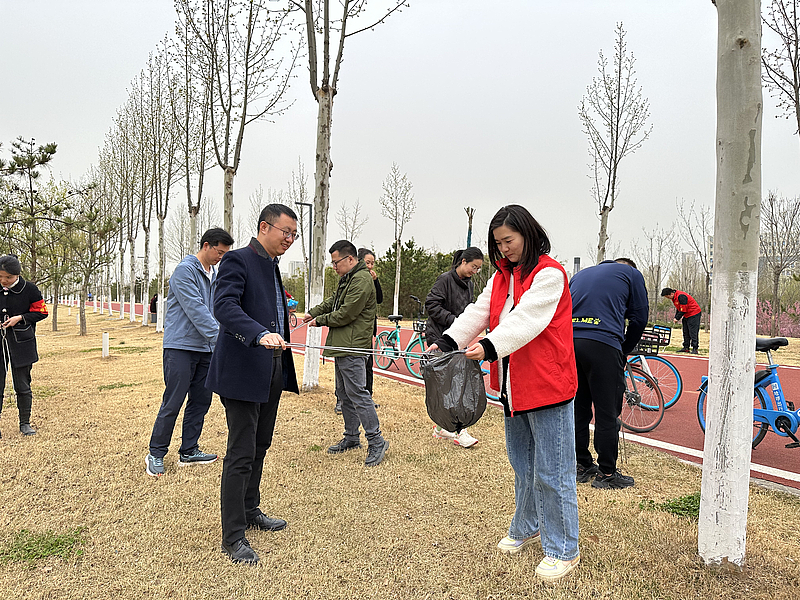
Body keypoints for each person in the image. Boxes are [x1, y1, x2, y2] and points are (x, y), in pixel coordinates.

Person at [430, 205, 580, 582]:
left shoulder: (550, 274)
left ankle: (564, 548)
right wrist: (447, 342)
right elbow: (477, 313)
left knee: (553, 471)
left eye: (508, 240)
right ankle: (527, 525)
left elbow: (525, 321)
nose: (503, 249)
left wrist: (489, 346)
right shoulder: (500, 277)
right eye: (497, 243)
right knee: (523, 466)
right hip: (513, 389)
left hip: (548, 387)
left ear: (528, 234)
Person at [206, 204, 300, 565]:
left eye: (294, 235)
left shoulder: (272, 265)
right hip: (242, 372)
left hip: (271, 369)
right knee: (241, 452)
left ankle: (250, 510)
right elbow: (224, 306)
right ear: (264, 227)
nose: (290, 239)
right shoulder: (238, 260)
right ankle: (233, 536)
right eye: (286, 232)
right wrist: (259, 333)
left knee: (260, 445)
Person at [145, 228, 234, 478]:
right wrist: (222, 339)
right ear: (206, 246)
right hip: (181, 347)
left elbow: (219, 308)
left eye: (225, 254)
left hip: (206, 348)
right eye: (219, 252)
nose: (221, 257)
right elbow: (196, 310)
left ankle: (189, 450)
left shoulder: (214, 274)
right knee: (174, 400)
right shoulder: (185, 271)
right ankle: (156, 453)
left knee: (201, 401)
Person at [304, 240, 389, 468]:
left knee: (358, 393)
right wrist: (313, 312)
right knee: (344, 393)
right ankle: (352, 437)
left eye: (336, 262)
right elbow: (334, 301)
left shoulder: (361, 280)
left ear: (350, 259)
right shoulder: (349, 278)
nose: (334, 266)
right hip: (343, 344)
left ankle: (376, 440)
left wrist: (319, 320)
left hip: (353, 346)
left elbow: (346, 313)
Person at [570, 258, 648, 490]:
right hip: (603, 343)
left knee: (578, 408)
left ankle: (582, 465)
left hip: (570, 343)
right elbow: (639, 318)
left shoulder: (580, 275)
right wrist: (623, 349)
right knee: (606, 412)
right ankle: (606, 473)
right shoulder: (632, 274)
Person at [425, 246, 484, 448]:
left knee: (456, 383)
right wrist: (454, 321)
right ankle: (459, 431)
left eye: (478, 269)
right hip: (440, 337)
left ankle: (444, 428)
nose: (475, 271)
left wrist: (465, 326)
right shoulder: (445, 280)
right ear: (463, 261)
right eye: (473, 266)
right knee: (450, 385)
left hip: (459, 338)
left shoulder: (469, 285)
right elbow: (431, 305)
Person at [0, 255, 48, 438]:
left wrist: (20, 318)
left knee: (22, 385)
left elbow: (42, 312)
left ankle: (25, 423)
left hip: (22, 343)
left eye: (8, 277)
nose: (4, 281)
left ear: (17, 275)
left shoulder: (30, 289)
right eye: (0, 277)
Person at [356, 247, 382, 411]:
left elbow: (379, 299)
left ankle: (368, 398)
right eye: (367, 263)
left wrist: (376, 281)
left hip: (367, 331)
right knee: (349, 367)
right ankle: (342, 400)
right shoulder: (353, 279)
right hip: (354, 332)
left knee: (367, 367)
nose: (370, 266)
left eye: (372, 263)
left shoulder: (371, 279)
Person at [660, 287, 702, 354]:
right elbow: (679, 308)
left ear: (671, 294)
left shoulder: (681, 296)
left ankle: (695, 348)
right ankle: (686, 347)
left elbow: (683, 309)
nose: (668, 298)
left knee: (693, 332)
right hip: (686, 315)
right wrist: (676, 317)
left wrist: (677, 318)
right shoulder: (674, 298)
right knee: (685, 331)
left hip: (694, 313)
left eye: (667, 297)